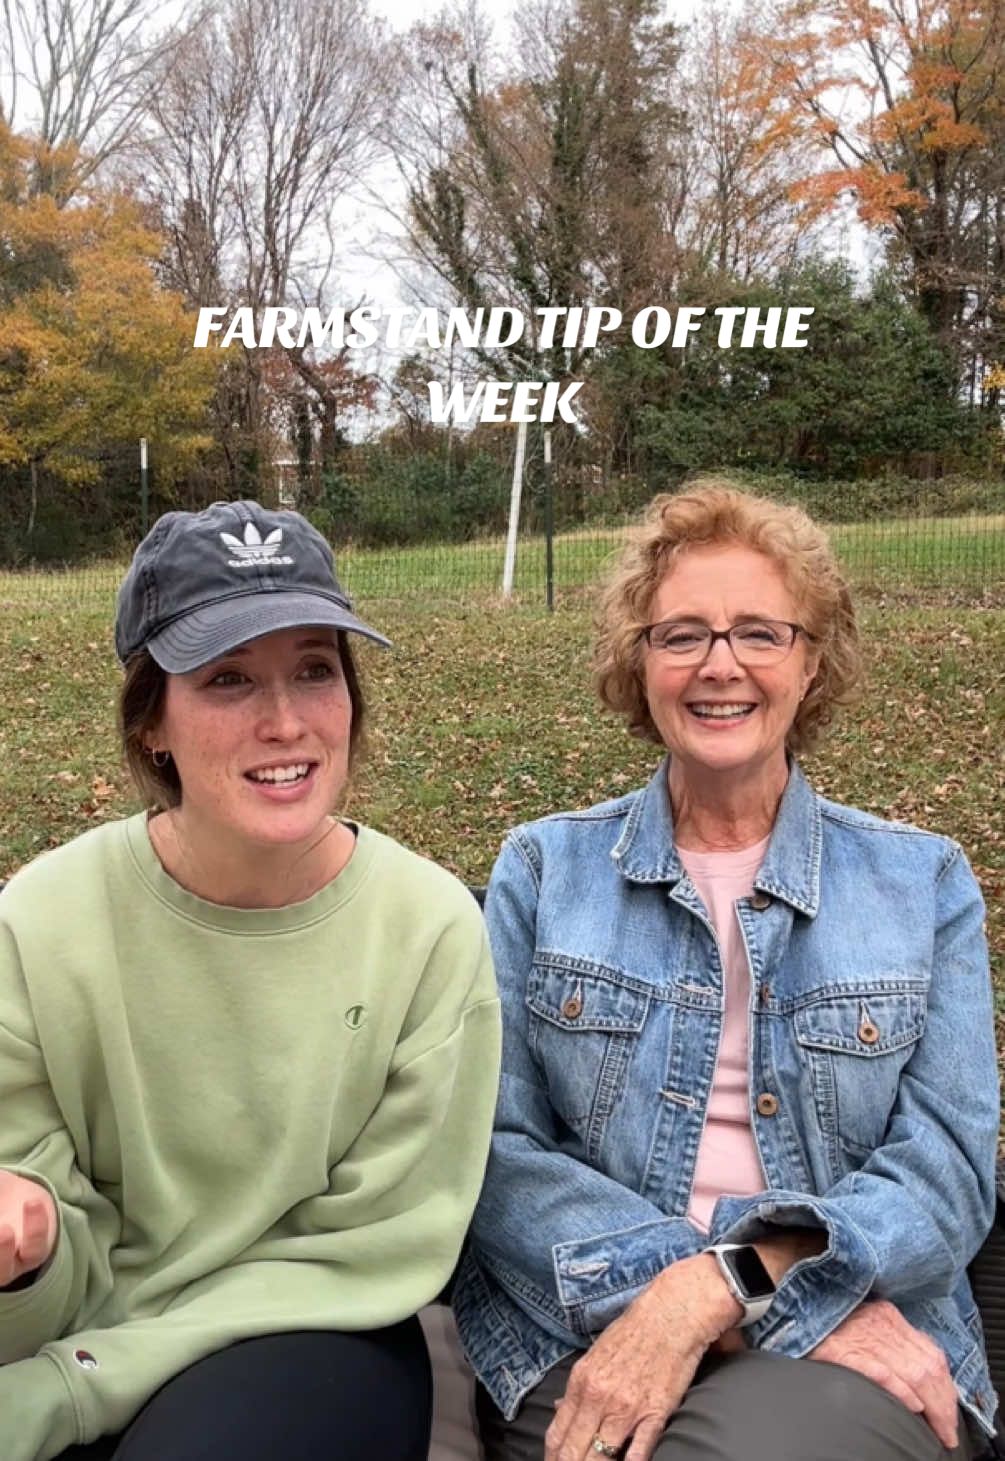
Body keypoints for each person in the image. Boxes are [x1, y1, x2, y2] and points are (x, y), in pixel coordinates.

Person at [452, 482, 999, 1461]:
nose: (720, 666)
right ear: (639, 660)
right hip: (588, 1326)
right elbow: (495, 1154)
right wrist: (669, 1294)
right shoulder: (544, 870)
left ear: (811, 659)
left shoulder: (922, 882)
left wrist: (724, 1284)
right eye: (682, 635)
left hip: (854, 1335)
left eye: (759, 632)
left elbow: (949, 1174)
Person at [0, 500, 501, 1461]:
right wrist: (26, 1264)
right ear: (152, 722)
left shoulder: (428, 931)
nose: (284, 721)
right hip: (83, 1330)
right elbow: (41, 1265)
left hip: (315, 1332)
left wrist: (67, 1394)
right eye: (228, 678)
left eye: (315, 668)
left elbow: (368, 1252)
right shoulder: (42, 922)